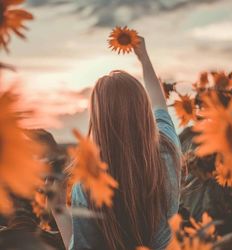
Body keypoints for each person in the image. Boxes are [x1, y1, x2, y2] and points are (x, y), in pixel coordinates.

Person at [53, 37, 182, 250]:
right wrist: (144, 59)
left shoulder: (87, 187)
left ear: (98, 122)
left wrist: (57, 209)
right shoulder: (167, 152)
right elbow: (159, 103)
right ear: (143, 111)